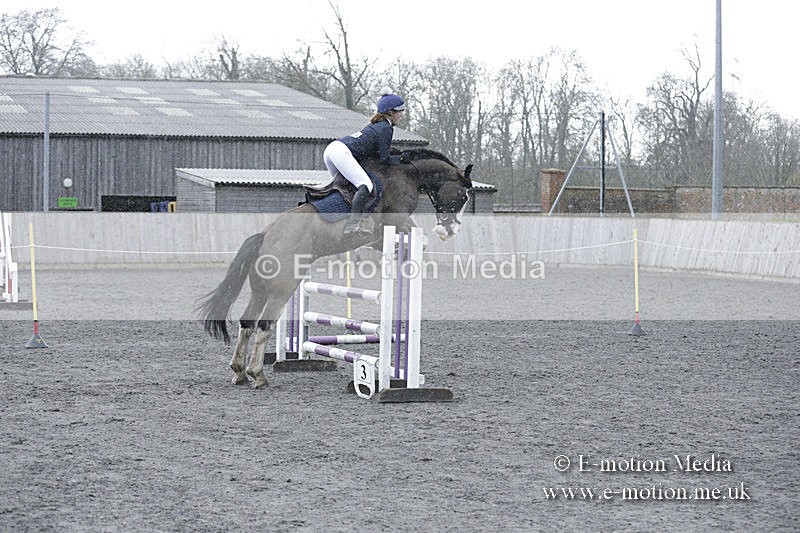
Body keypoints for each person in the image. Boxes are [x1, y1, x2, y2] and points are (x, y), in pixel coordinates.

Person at [323, 87, 406, 236]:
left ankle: (336, 218)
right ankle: (352, 225)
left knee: (344, 187)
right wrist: (400, 159)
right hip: (342, 152)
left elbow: (375, 153)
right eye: (399, 112)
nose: (401, 115)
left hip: (332, 149)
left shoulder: (376, 125)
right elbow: (384, 158)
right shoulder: (386, 128)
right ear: (391, 113)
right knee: (365, 185)